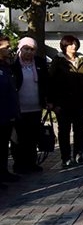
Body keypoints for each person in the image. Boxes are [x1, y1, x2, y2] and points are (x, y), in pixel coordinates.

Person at [49, 35, 83, 168]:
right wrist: (52, 102)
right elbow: (51, 83)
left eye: (75, 44)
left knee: (79, 130)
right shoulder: (58, 61)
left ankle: (78, 154)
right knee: (64, 131)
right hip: (63, 103)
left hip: (81, 102)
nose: (74, 46)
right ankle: (65, 157)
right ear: (64, 46)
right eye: (70, 44)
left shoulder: (82, 60)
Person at [11, 37, 48, 174]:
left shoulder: (39, 63)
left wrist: (47, 100)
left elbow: (45, 83)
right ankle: (19, 164)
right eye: (26, 48)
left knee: (32, 137)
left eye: (32, 49)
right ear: (20, 48)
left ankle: (32, 163)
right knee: (19, 138)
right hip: (19, 108)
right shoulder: (13, 64)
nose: (29, 52)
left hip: (35, 107)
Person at [0, 36, 19, 188]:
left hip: (7, 112)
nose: (9, 49)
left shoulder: (6, 66)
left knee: (3, 145)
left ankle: (3, 172)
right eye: (5, 47)